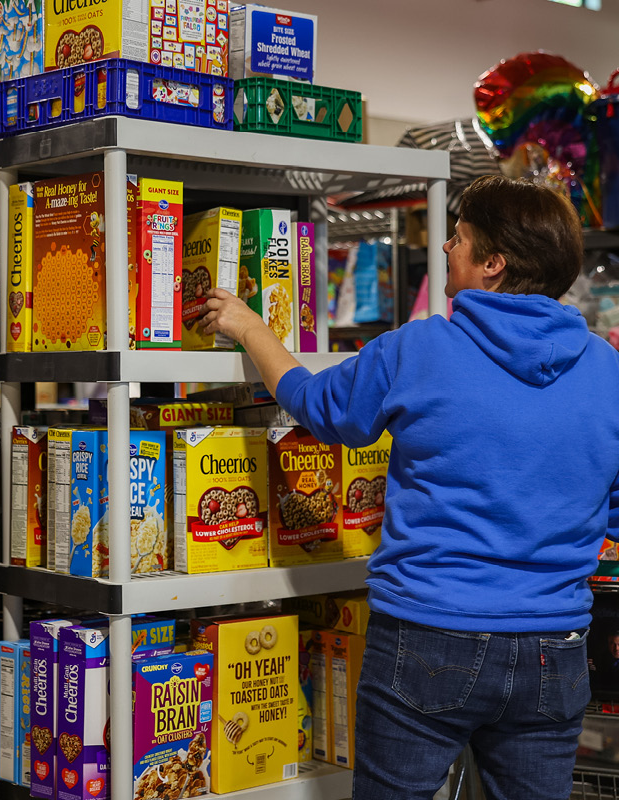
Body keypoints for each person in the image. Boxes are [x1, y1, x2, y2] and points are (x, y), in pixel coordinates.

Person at [199, 175, 619, 799]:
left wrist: (250, 326)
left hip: (428, 635)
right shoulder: (606, 366)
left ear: (493, 264)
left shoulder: (420, 348)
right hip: (552, 650)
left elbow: (318, 405)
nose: (445, 249)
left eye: (459, 238)